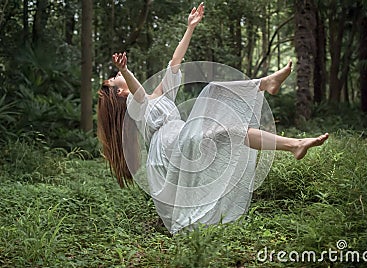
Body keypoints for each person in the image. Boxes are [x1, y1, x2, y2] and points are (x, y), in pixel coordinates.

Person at [97, 3, 329, 234]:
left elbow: (174, 64)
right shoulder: (133, 106)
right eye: (114, 78)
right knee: (214, 90)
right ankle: (264, 85)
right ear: (119, 92)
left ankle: (295, 145)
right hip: (169, 147)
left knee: (233, 131)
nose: (117, 74)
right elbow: (138, 93)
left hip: (180, 138)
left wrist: (190, 28)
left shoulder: (156, 96)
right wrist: (126, 71)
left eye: (117, 73)